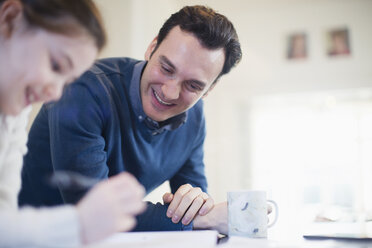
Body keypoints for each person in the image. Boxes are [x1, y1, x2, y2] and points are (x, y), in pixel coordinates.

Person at [19, 5, 242, 232]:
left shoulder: (193, 118)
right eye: (166, 68)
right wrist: (204, 219)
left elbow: (191, 203)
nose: (169, 92)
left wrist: (196, 206)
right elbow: (95, 211)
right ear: (152, 47)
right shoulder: (82, 90)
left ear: (209, 89)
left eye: (193, 85)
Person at [0, 0, 145, 246]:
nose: (55, 94)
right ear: (10, 18)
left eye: (67, 82)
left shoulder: (13, 111)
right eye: (56, 65)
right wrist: (78, 225)